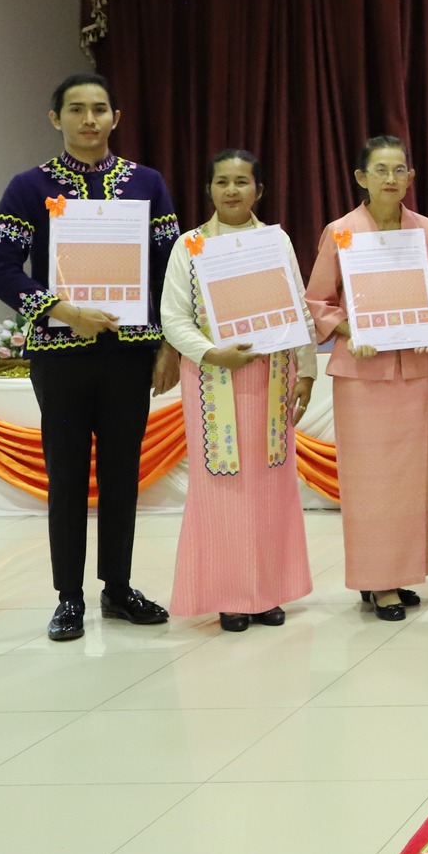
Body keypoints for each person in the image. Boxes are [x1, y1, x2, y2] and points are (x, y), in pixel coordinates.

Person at [0, 72, 180, 641]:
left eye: (99, 109)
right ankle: (68, 596)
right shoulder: (28, 186)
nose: (89, 120)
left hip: (130, 354)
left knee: (123, 473)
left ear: (116, 117)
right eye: (76, 109)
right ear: (56, 119)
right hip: (61, 355)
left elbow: (169, 270)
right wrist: (60, 309)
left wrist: (167, 341)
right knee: (66, 473)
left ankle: (117, 590)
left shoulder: (147, 183)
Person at [160, 149, 317, 631]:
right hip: (213, 379)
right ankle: (229, 594)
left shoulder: (276, 241)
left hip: (272, 376)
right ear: (208, 189)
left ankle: (267, 591)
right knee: (222, 486)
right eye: (222, 181)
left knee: (270, 485)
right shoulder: (189, 246)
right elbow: (173, 317)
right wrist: (213, 353)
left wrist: (307, 372)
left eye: (242, 182)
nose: (232, 190)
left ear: (259, 190)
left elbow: (299, 306)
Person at [305, 135, 428, 622]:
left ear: (410, 177)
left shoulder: (424, 230)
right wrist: (348, 328)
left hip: (417, 369)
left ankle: (400, 574)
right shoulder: (340, 231)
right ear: (361, 177)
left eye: (400, 170)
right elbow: (318, 301)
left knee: (412, 480)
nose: (392, 179)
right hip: (363, 371)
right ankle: (375, 582)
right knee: (372, 482)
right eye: (380, 170)